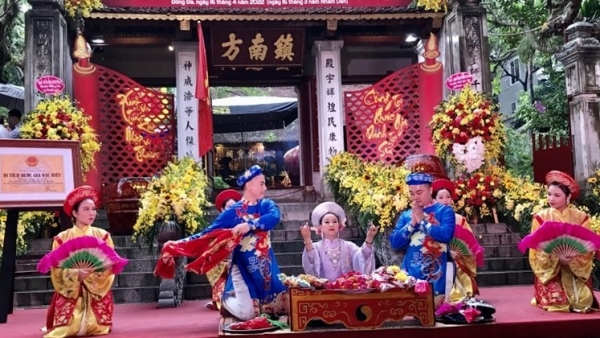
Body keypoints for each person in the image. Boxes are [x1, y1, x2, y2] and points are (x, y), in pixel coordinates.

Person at [164, 165, 287, 321]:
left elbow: (274, 217)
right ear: (249, 185)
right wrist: (175, 246)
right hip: (242, 268)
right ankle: (225, 300)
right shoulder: (232, 212)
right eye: (262, 183)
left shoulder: (266, 205)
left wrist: (249, 225)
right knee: (248, 314)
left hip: (265, 265)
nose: (266, 187)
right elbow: (206, 235)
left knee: (279, 307)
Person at [44, 186, 115, 338]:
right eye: (86, 209)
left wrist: (90, 275)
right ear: (75, 213)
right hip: (70, 295)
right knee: (67, 329)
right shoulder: (61, 239)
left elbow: (110, 266)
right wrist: (75, 274)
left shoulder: (103, 236)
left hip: (96, 294)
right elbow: (56, 270)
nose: (92, 213)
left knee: (97, 327)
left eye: (94, 209)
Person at [529, 170, 599, 313]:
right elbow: (536, 249)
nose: (551, 198)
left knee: (583, 301)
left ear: (568, 197)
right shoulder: (540, 218)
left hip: (574, 270)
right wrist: (556, 258)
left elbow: (588, 249)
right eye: (549, 194)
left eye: (557, 195)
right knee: (558, 303)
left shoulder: (581, 218)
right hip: (550, 272)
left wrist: (570, 258)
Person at [389, 172, 455, 307]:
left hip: (437, 271)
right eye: (412, 193)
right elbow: (395, 243)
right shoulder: (407, 215)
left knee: (435, 311)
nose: (415, 197)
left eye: (419, 192)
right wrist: (412, 224)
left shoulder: (445, 211)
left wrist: (422, 221)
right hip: (411, 270)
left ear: (430, 190)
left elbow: (445, 235)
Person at [301, 201, 378, 282]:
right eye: (327, 222)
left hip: (346, 290)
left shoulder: (348, 246)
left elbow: (362, 257)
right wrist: (307, 239)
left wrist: (369, 237)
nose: (331, 225)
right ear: (320, 226)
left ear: (339, 225)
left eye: (334, 221)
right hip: (323, 291)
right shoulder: (316, 247)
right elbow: (310, 262)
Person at [432, 179, 481, 303]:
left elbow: (470, 244)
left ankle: (465, 294)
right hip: (438, 260)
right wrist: (448, 252)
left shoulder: (460, 219)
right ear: (434, 200)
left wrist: (461, 254)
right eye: (441, 197)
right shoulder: (431, 220)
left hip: (459, 260)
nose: (445, 200)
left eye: (448, 197)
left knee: (459, 266)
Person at [205, 189, 242, 311]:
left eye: (234, 207)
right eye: (228, 207)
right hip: (222, 263)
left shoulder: (243, 224)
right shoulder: (218, 226)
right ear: (222, 210)